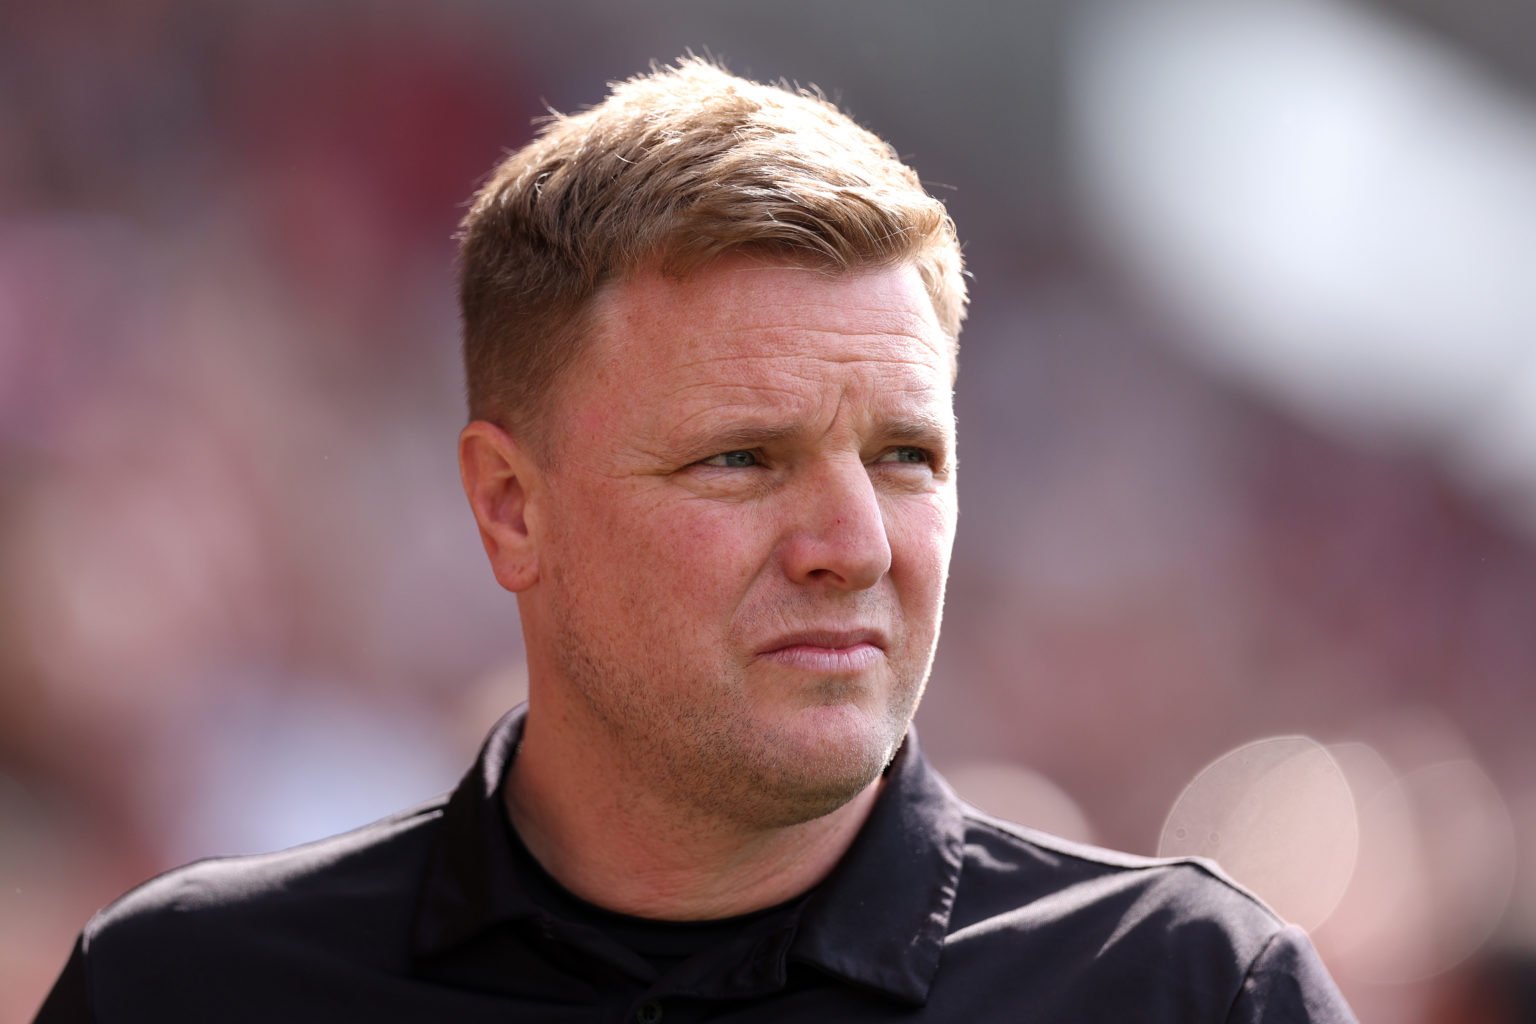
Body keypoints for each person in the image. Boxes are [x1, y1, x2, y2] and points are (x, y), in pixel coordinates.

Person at [34, 58, 1357, 1022]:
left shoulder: (1188, 994)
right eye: (742, 458)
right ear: (511, 507)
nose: (854, 543)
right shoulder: (188, 990)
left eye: (907, 457)